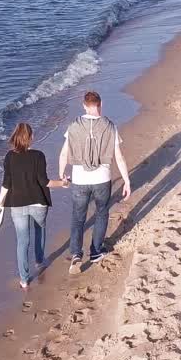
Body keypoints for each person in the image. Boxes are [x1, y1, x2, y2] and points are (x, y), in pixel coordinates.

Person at [57, 91, 131, 271]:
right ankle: (96, 250)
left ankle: (76, 253)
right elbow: (119, 157)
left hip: (80, 178)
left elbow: (64, 153)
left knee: (78, 217)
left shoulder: (74, 126)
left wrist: (62, 175)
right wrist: (127, 181)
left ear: (84, 105)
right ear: (100, 104)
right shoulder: (110, 126)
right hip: (101, 178)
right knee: (101, 213)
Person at [0, 123, 68, 288]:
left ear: (15, 138)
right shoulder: (38, 156)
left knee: (22, 241)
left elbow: (6, 183)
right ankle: (40, 262)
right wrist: (62, 183)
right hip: (38, 203)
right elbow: (45, 182)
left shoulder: (9, 157)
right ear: (30, 138)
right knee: (40, 230)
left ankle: (24, 279)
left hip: (17, 205)